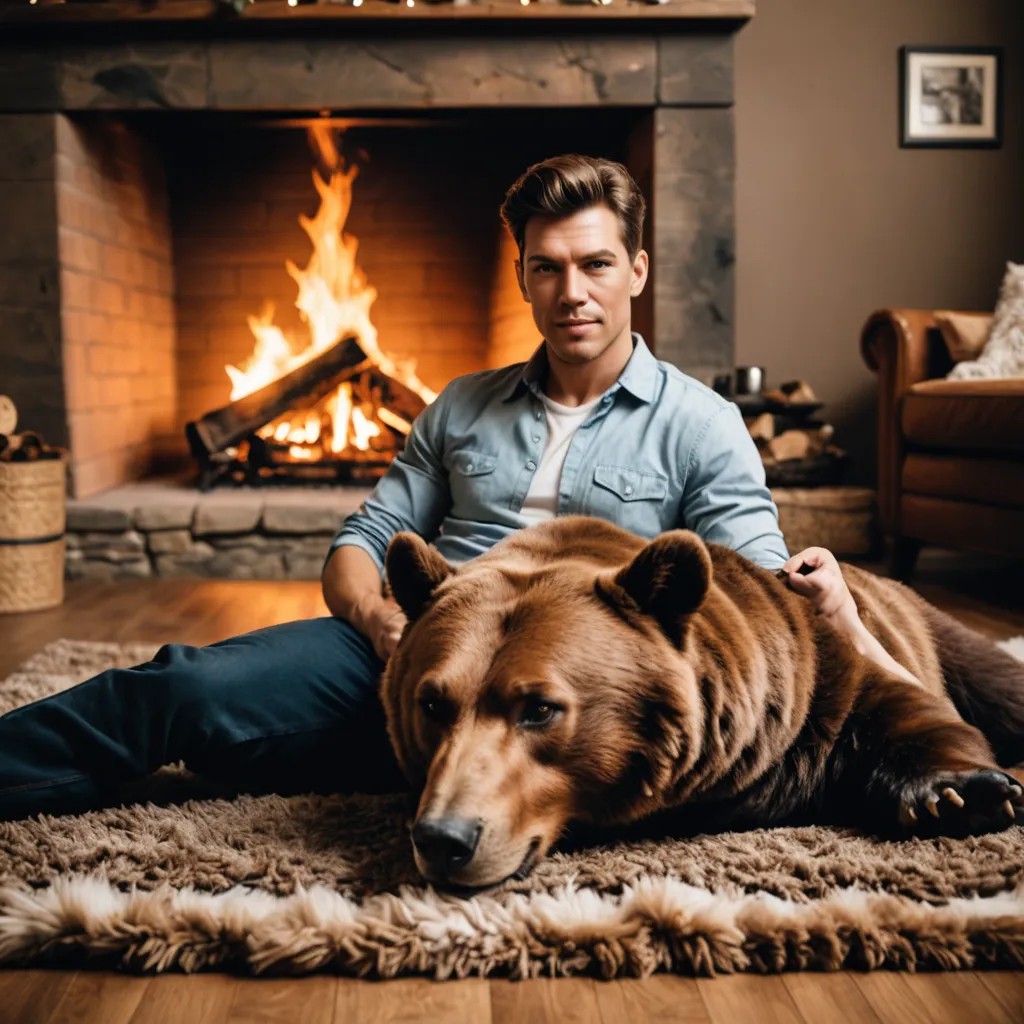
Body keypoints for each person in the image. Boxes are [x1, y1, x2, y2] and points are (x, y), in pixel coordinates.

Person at [0, 154, 903, 822]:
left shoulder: (700, 423)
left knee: (251, 759)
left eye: (594, 265)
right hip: (413, 661)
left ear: (636, 271)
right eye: (546, 267)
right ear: (521, 277)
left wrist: (832, 615)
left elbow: (742, 595)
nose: (571, 292)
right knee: (184, 692)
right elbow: (365, 537)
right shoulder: (462, 407)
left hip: (552, 710)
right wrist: (381, 624)